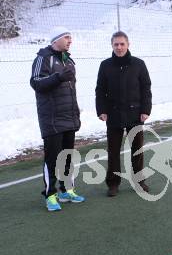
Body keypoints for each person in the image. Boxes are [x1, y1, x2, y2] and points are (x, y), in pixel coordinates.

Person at [30, 26, 85, 212]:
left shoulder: (69, 60)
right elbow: (36, 83)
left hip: (68, 118)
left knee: (67, 157)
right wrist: (58, 77)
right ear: (56, 40)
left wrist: (75, 113)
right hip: (52, 120)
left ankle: (66, 190)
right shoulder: (43, 58)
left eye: (71, 37)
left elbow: (71, 91)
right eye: (67, 37)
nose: (70, 41)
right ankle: (50, 195)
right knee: (52, 160)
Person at [95, 31, 152, 197]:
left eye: (122, 44)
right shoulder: (105, 65)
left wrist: (145, 110)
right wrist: (102, 110)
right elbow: (100, 90)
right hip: (113, 115)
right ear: (112, 46)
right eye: (116, 44)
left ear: (128, 44)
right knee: (113, 151)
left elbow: (146, 88)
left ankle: (139, 181)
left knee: (137, 150)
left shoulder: (139, 64)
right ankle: (113, 183)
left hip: (135, 114)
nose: (119, 47)